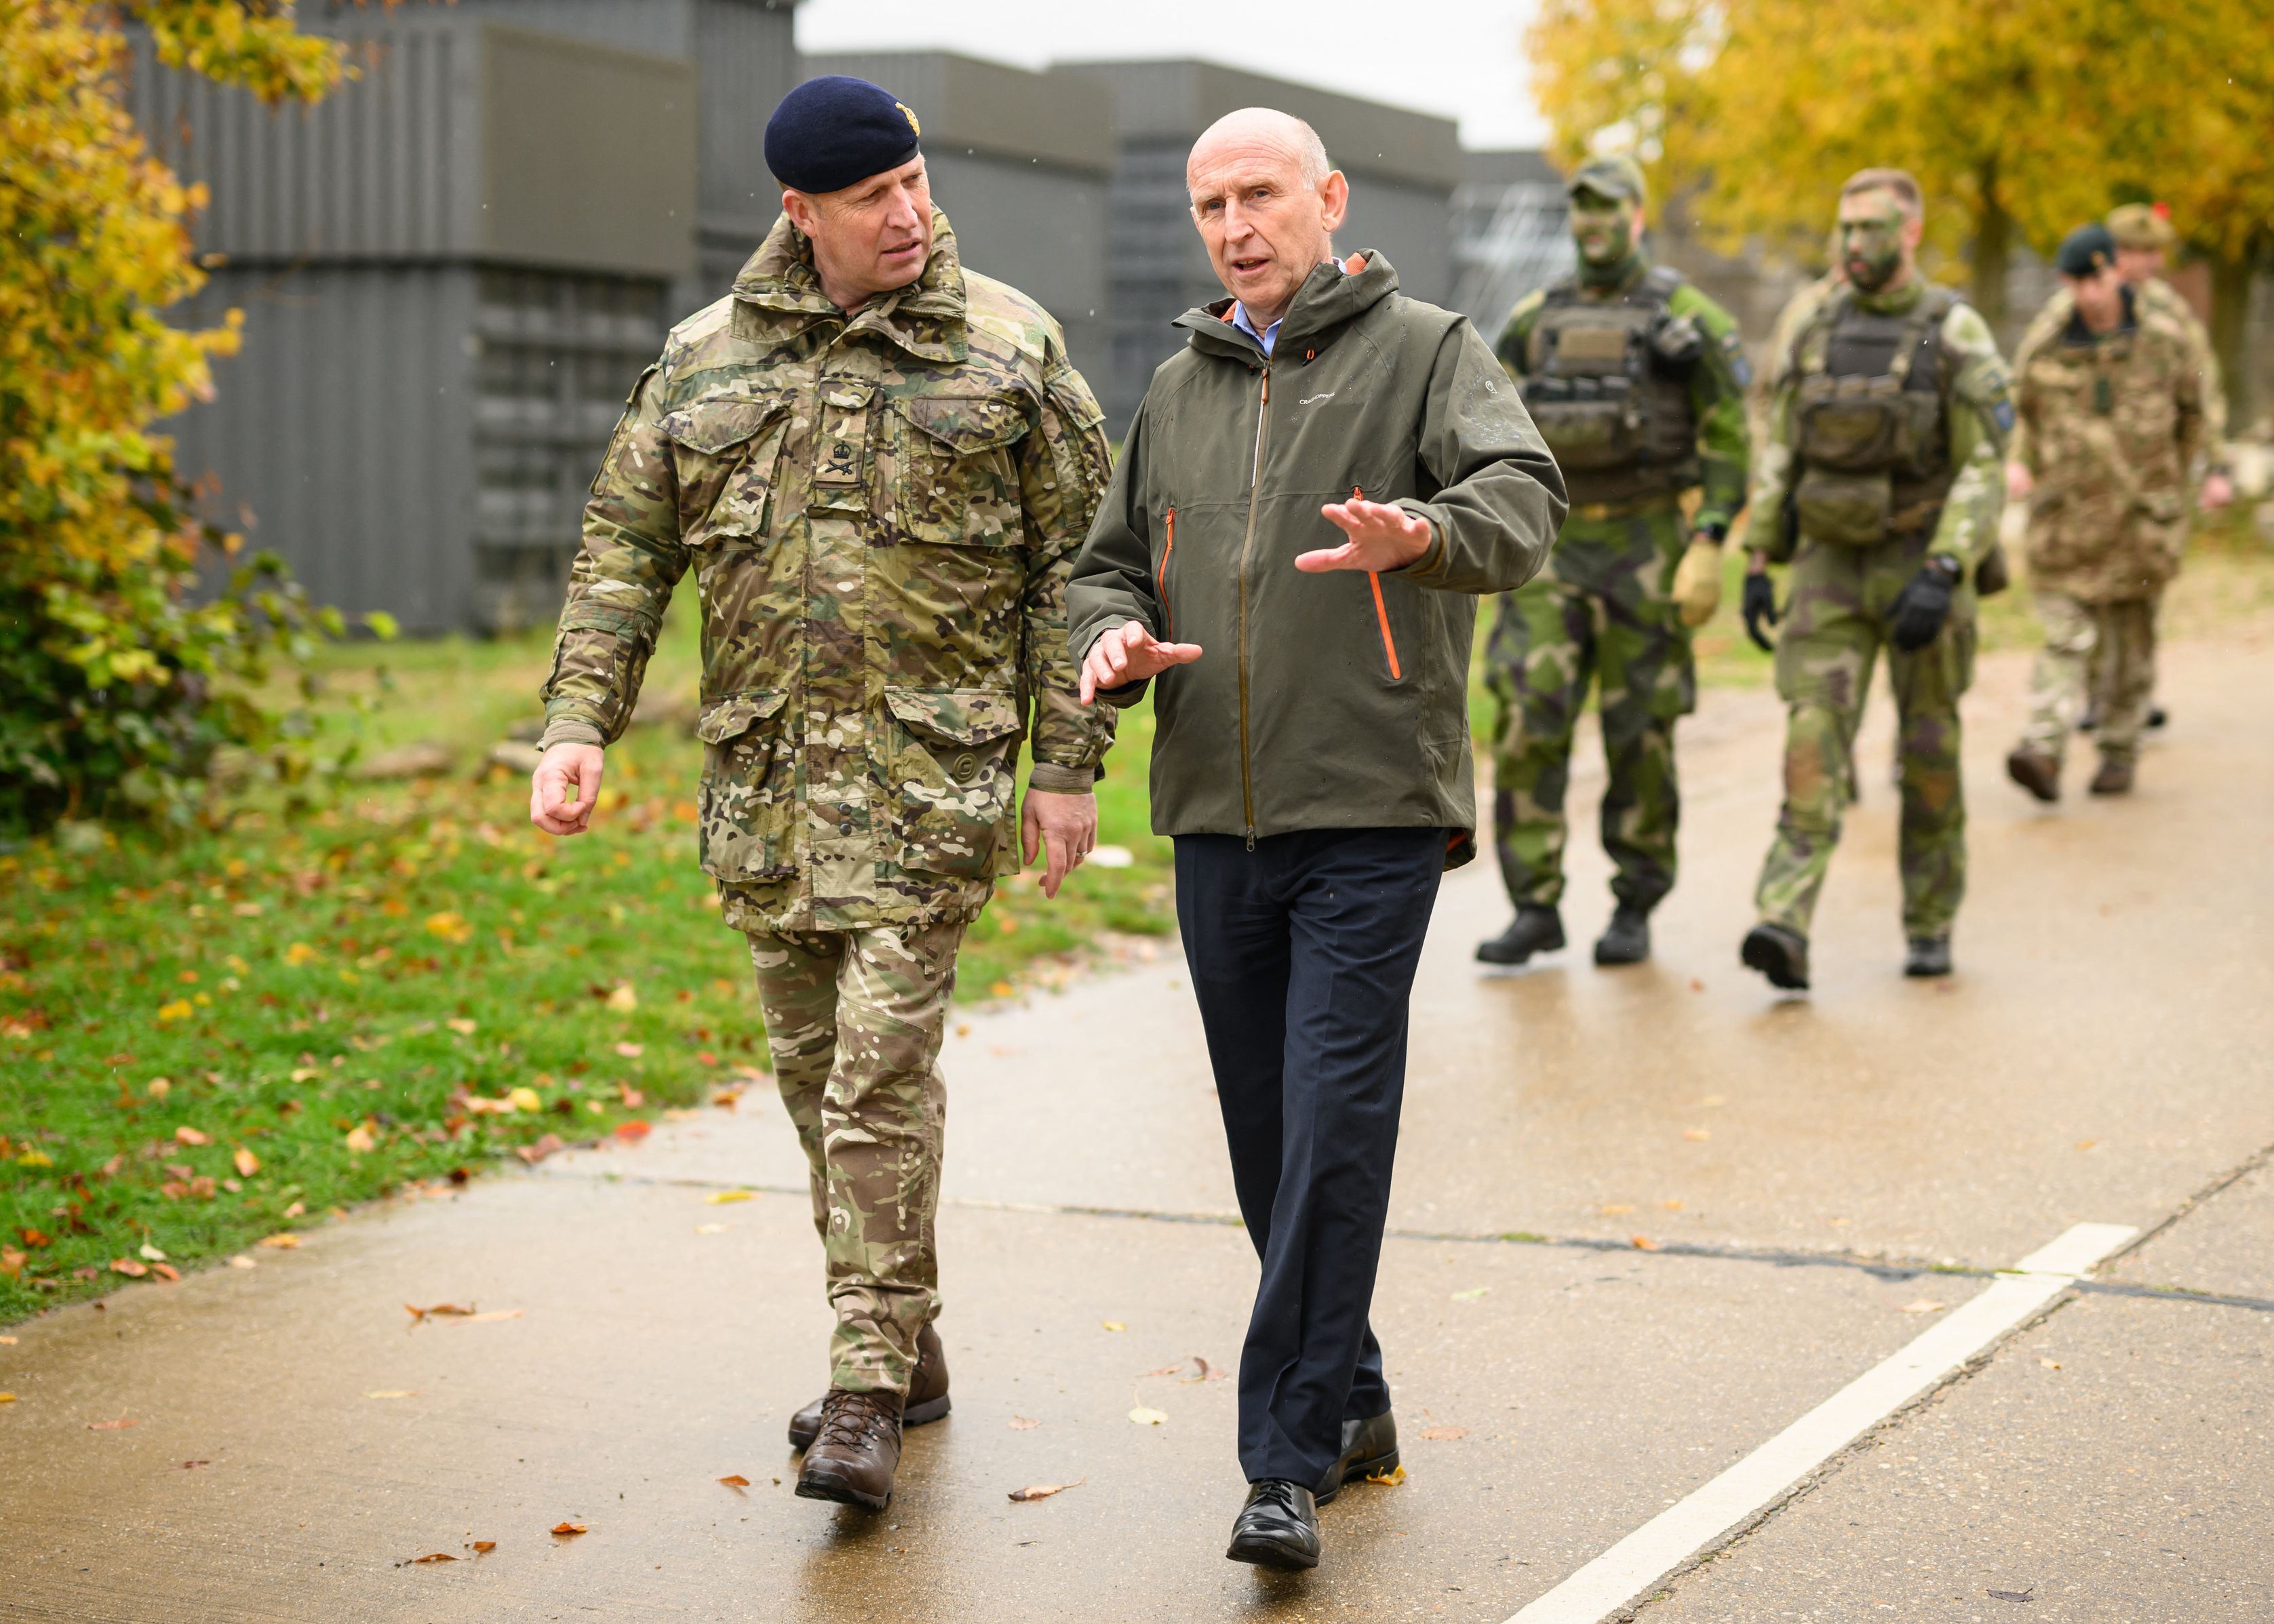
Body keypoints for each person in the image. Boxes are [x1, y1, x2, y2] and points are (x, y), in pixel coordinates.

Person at [528, 77, 1116, 1512]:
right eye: (872, 197)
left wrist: (1065, 766)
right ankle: (905, 1346)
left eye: (914, 181)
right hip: (768, 795)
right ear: (802, 211)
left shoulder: (1010, 349)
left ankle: (863, 1393)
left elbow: (1079, 573)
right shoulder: (701, 365)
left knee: (875, 1083)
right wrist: (576, 721)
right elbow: (624, 551)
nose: (908, 213)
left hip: (933, 791)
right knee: (811, 1085)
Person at [1067, 108, 1562, 1570]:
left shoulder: (1426, 348)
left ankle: (1280, 1465)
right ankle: (1348, 1401)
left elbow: (1522, 503)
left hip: (1369, 805)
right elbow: (1101, 566)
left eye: (1262, 194)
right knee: (1264, 1135)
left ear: (1327, 198)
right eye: (1210, 202)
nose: (1236, 224)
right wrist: (1108, 638)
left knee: (1334, 1119)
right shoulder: (1173, 383)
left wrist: (1420, 534)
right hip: (1214, 815)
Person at [1473, 153, 1750, 968]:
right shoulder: (1533, 318)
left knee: (1643, 732)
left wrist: (1711, 540)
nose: (1593, 223)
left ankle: (1635, 903)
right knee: (1528, 718)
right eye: (1580, 210)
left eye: (1609, 208)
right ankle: (1533, 906)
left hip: (1647, 544)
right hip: (1551, 548)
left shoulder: (1687, 316)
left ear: (1637, 215)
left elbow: (1730, 432)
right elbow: (1486, 422)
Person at [1736, 168, 2010, 991]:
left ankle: (1930, 922)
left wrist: (1947, 565)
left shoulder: (1954, 330)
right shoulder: (1814, 323)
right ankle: (1783, 921)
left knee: (1928, 753)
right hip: (1828, 565)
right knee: (1810, 745)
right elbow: (1782, 445)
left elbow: (1985, 465)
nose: (1854, 245)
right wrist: (1758, 557)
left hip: (1920, 561)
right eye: (1846, 228)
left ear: (1911, 234)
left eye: (1873, 229)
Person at [2003, 224, 2209, 800]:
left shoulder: (2165, 338)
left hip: (2140, 522)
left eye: (2095, 278)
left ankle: (2119, 748)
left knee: (2129, 644)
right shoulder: (2046, 342)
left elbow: (2196, 413)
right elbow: (2021, 414)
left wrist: (2174, 479)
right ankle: (2042, 747)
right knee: (2065, 637)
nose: (2088, 293)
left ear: (2115, 270)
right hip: (2066, 519)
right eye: (2075, 281)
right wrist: (2020, 464)